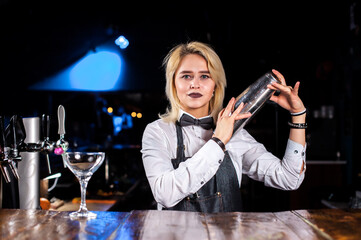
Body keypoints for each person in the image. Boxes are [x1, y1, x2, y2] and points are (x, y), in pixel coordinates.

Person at [141, 41, 306, 213]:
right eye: (186, 76)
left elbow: (289, 179)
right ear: (174, 84)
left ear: (215, 86)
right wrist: (218, 141)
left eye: (204, 76)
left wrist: (298, 115)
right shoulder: (157, 132)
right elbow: (164, 194)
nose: (194, 84)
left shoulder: (236, 134)